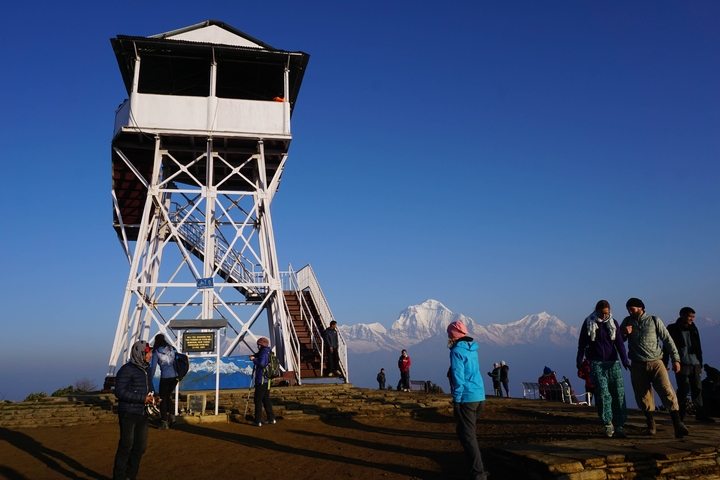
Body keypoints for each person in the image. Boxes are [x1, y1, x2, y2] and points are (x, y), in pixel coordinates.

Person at [621, 298, 689, 438]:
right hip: (637, 363)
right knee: (643, 394)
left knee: (666, 390)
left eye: (632, 309)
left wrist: (676, 359)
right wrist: (624, 333)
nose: (630, 311)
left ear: (640, 308)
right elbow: (619, 341)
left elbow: (667, 339)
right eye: (628, 309)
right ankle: (650, 423)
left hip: (656, 362)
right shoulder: (627, 321)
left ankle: (678, 423)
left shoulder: (653, 320)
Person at [576, 300, 631, 438]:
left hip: (613, 363)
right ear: (597, 311)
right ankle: (608, 423)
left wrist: (625, 360)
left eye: (606, 313)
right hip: (596, 363)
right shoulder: (589, 323)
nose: (604, 315)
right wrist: (579, 359)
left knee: (618, 394)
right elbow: (582, 342)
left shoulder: (613, 323)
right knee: (603, 394)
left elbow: (619, 343)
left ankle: (619, 425)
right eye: (602, 313)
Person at [446, 320, 488, 480]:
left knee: (469, 436)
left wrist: (456, 400)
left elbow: (458, 378)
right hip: (479, 396)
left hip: (467, 398)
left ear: (453, 335)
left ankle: (479, 473)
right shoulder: (472, 349)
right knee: (463, 432)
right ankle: (478, 467)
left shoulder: (456, 351)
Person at [112, 340, 157, 480]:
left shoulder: (147, 370)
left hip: (142, 413)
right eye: (148, 353)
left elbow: (149, 388)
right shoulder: (126, 370)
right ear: (140, 353)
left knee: (140, 447)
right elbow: (119, 392)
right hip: (128, 412)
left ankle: (131, 476)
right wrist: (141, 398)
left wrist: (154, 397)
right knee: (126, 446)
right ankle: (119, 477)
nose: (150, 355)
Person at [665, 307, 715, 423]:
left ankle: (700, 413)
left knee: (697, 388)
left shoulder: (694, 329)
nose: (692, 319)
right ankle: (680, 414)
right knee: (683, 389)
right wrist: (666, 361)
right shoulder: (673, 329)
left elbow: (698, 346)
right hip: (681, 363)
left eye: (693, 317)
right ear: (682, 315)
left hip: (695, 363)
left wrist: (700, 364)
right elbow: (667, 347)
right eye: (690, 317)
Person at [150, 333, 178, 430]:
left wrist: (149, 379)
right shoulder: (171, 348)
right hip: (174, 377)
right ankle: (173, 418)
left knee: (162, 398)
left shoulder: (156, 352)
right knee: (167, 397)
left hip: (165, 377)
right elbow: (176, 360)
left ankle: (164, 421)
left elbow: (153, 367)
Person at [249, 337, 276, 427]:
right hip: (267, 380)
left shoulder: (263, 353)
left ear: (261, 345)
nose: (257, 346)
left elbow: (261, 364)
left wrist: (254, 359)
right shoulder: (269, 352)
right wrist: (256, 356)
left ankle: (257, 420)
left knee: (258, 400)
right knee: (266, 399)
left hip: (261, 380)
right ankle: (271, 418)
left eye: (258, 344)